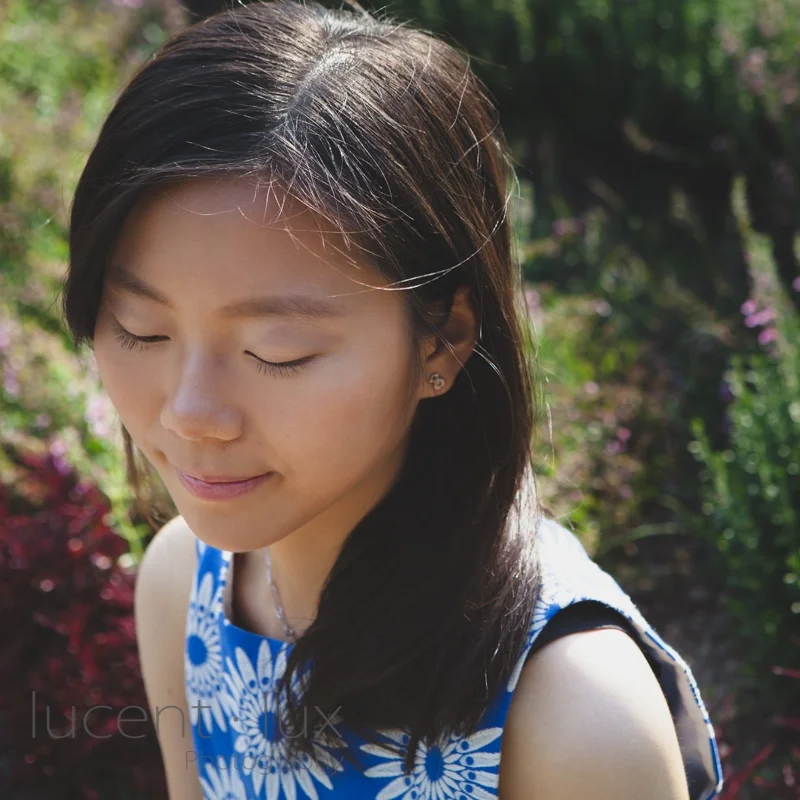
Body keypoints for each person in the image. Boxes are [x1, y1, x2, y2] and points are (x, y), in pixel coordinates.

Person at [61, 1, 724, 798]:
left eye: (278, 352)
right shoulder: (190, 588)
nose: (189, 412)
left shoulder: (575, 714)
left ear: (441, 339)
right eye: (140, 330)